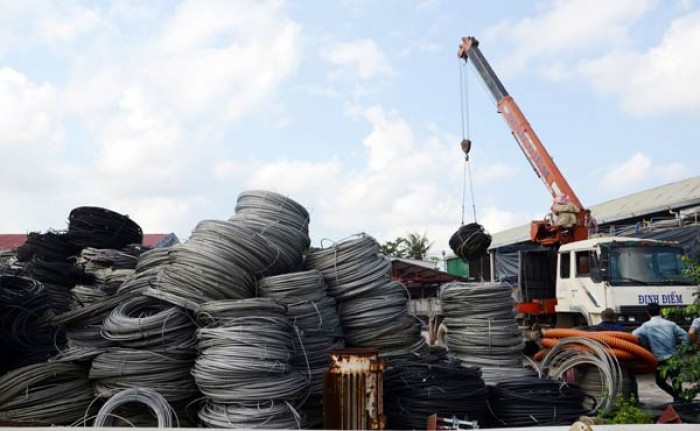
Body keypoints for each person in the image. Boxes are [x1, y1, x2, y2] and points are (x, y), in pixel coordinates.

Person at [632, 302, 689, 401]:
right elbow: (685, 336)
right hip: (674, 357)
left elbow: (633, 335)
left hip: (659, 359)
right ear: (660, 311)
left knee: (660, 381)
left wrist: (643, 343)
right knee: (676, 381)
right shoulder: (671, 324)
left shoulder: (646, 326)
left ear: (648, 313)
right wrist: (682, 350)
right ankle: (679, 399)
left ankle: (678, 398)